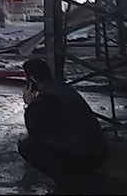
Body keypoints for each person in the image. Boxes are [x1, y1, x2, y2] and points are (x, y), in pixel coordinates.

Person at [19, 58, 108, 194]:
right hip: (96, 149)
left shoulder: (48, 99)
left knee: (28, 146)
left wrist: (30, 104)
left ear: (32, 80)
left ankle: (71, 182)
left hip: (84, 154)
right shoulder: (59, 87)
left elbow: (35, 129)